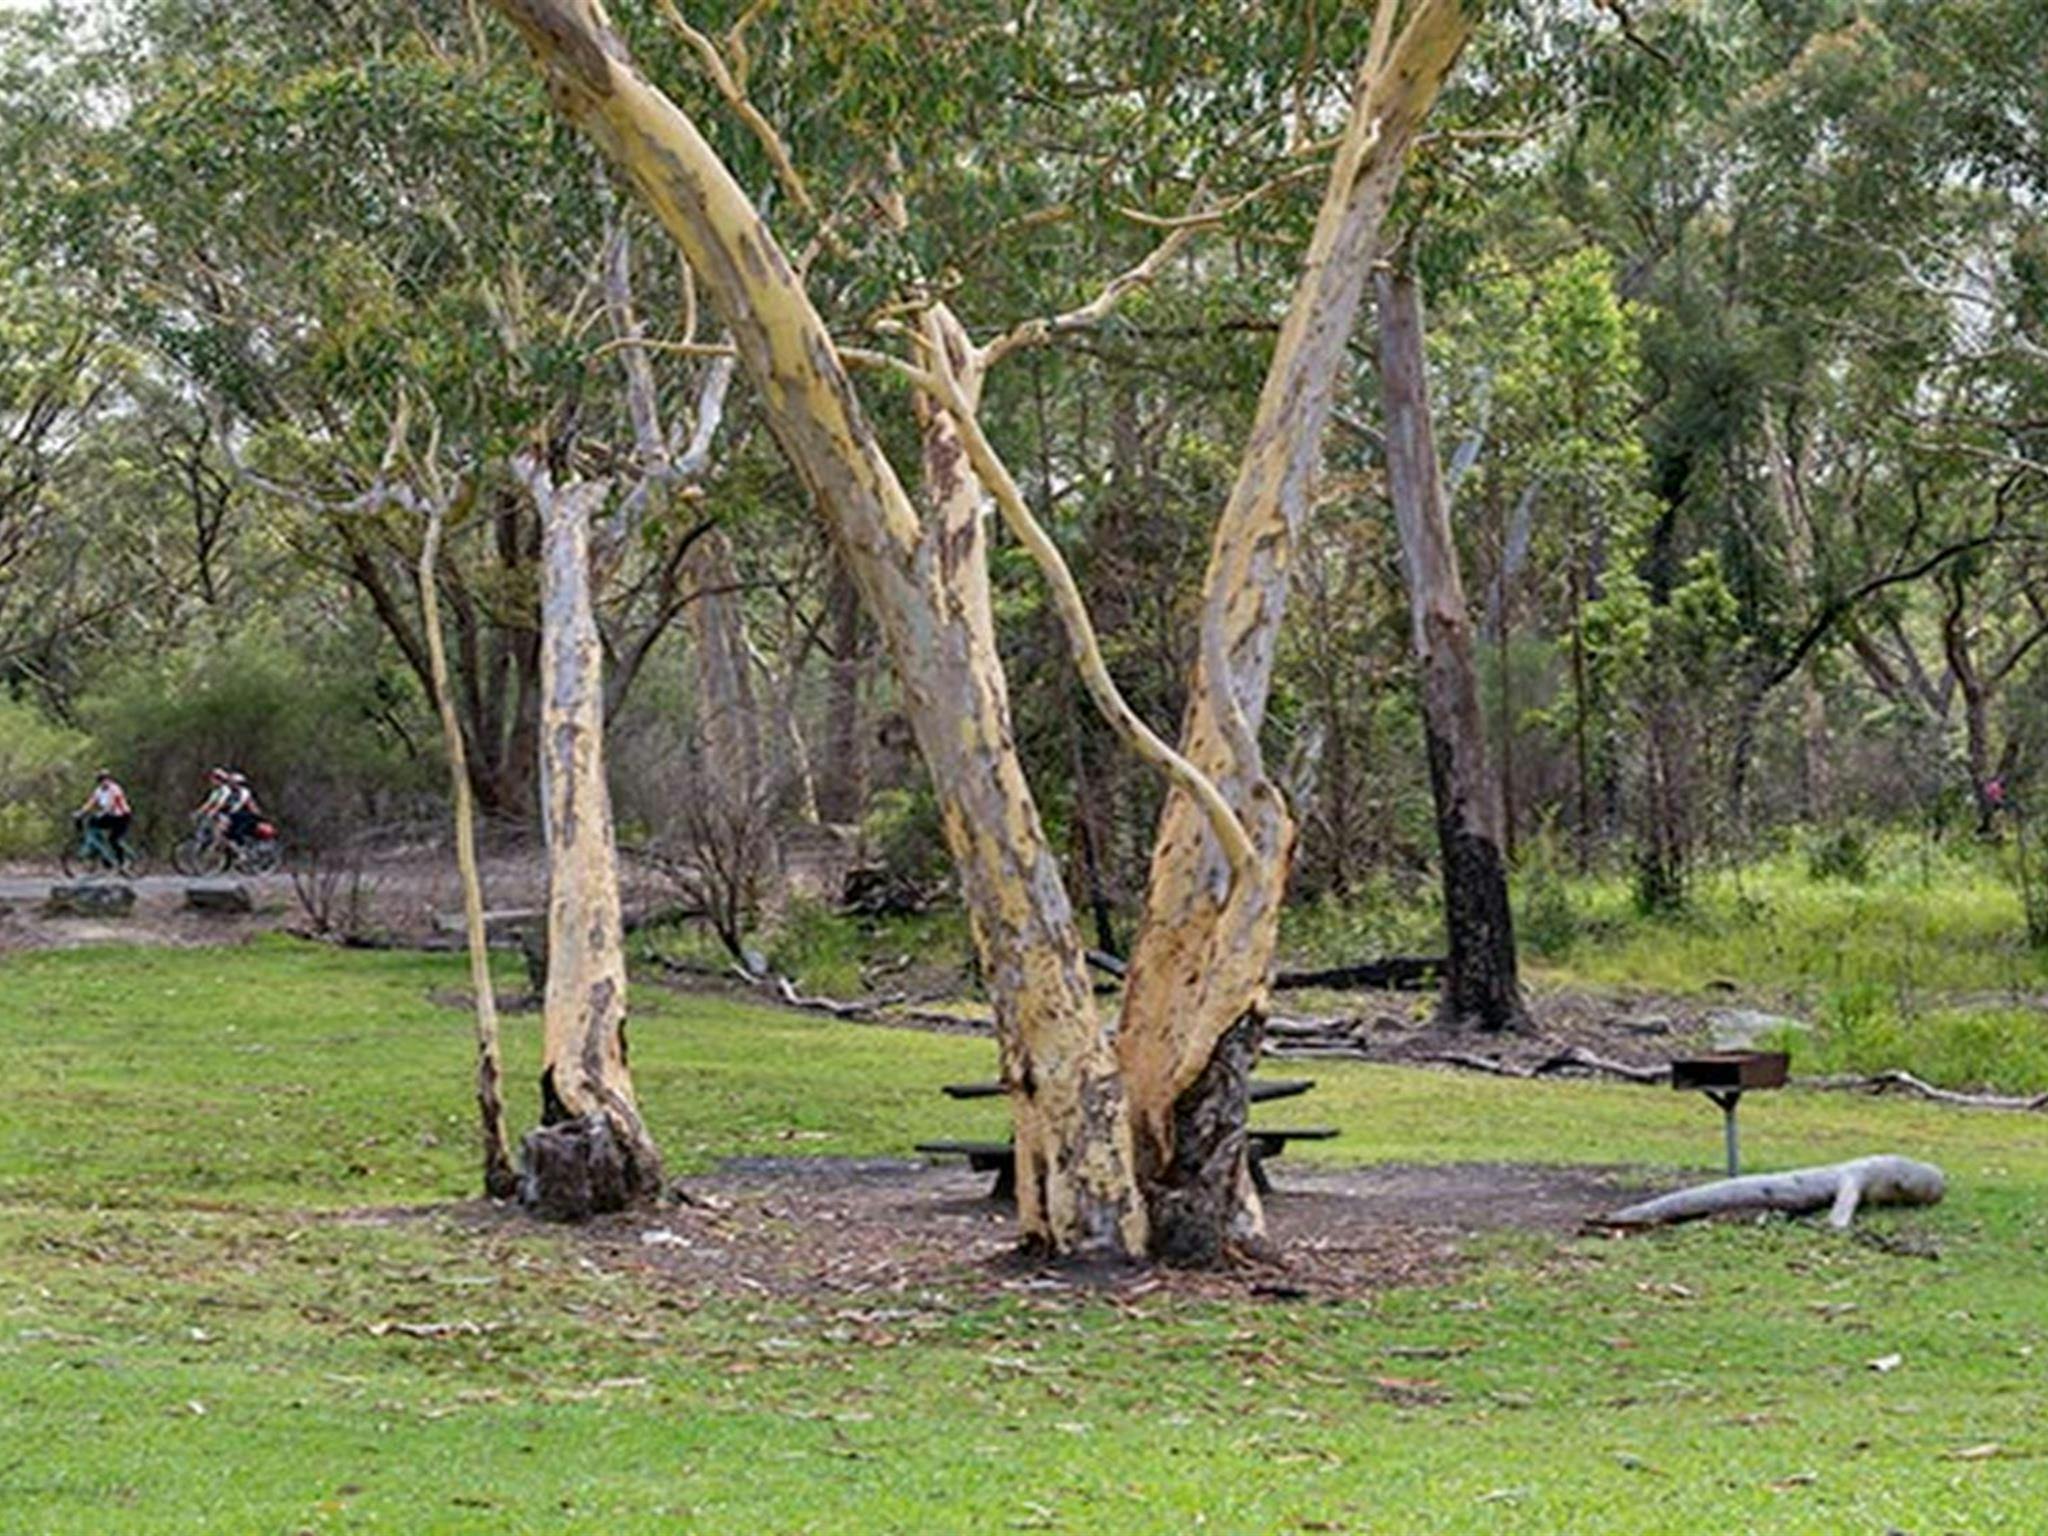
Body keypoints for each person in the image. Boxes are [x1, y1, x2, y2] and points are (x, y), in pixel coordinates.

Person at [77, 770, 133, 863]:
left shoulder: (115, 789)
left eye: (106, 779)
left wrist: (102, 813)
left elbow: (111, 803)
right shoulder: (98, 791)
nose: (104, 782)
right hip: (110, 816)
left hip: (122, 816)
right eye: (102, 780)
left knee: (114, 839)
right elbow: (91, 802)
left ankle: (122, 861)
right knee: (92, 823)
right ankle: (103, 853)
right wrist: (81, 812)